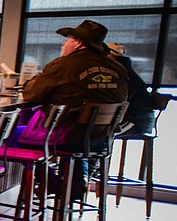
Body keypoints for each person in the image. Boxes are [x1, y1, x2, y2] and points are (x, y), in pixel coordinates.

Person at [21, 19, 129, 198]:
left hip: (67, 136)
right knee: (78, 140)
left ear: (78, 42)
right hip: (101, 138)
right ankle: (76, 183)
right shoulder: (118, 67)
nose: (64, 43)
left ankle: (54, 184)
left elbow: (31, 95)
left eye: (67, 39)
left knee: (13, 137)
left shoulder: (63, 65)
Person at [106, 42, 155, 135]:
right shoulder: (125, 70)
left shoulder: (118, 73)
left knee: (95, 134)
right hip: (141, 121)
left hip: (135, 123)